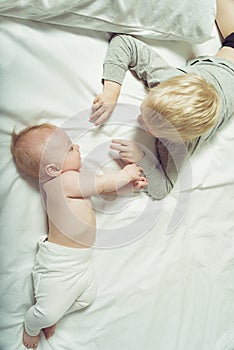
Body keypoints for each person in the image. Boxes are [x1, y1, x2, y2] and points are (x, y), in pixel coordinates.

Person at [11, 123, 146, 349]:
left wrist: (127, 186)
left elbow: (103, 188)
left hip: (80, 263)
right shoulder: (62, 182)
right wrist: (125, 173)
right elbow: (102, 184)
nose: (78, 146)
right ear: (53, 169)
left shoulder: (71, 180)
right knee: (46, 313)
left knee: (87, 297)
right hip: (60, 266)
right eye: (70, 149)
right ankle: (33, 324)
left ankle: (55, 313)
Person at [90, 0, 234, 200]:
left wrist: (142, 158)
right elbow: (125, 42)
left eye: (150, 129)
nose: (140, 122)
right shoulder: (167, 79)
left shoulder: (181, 144)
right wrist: (111, 92)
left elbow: (162, 189)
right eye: (144, 113)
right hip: (226, 59)